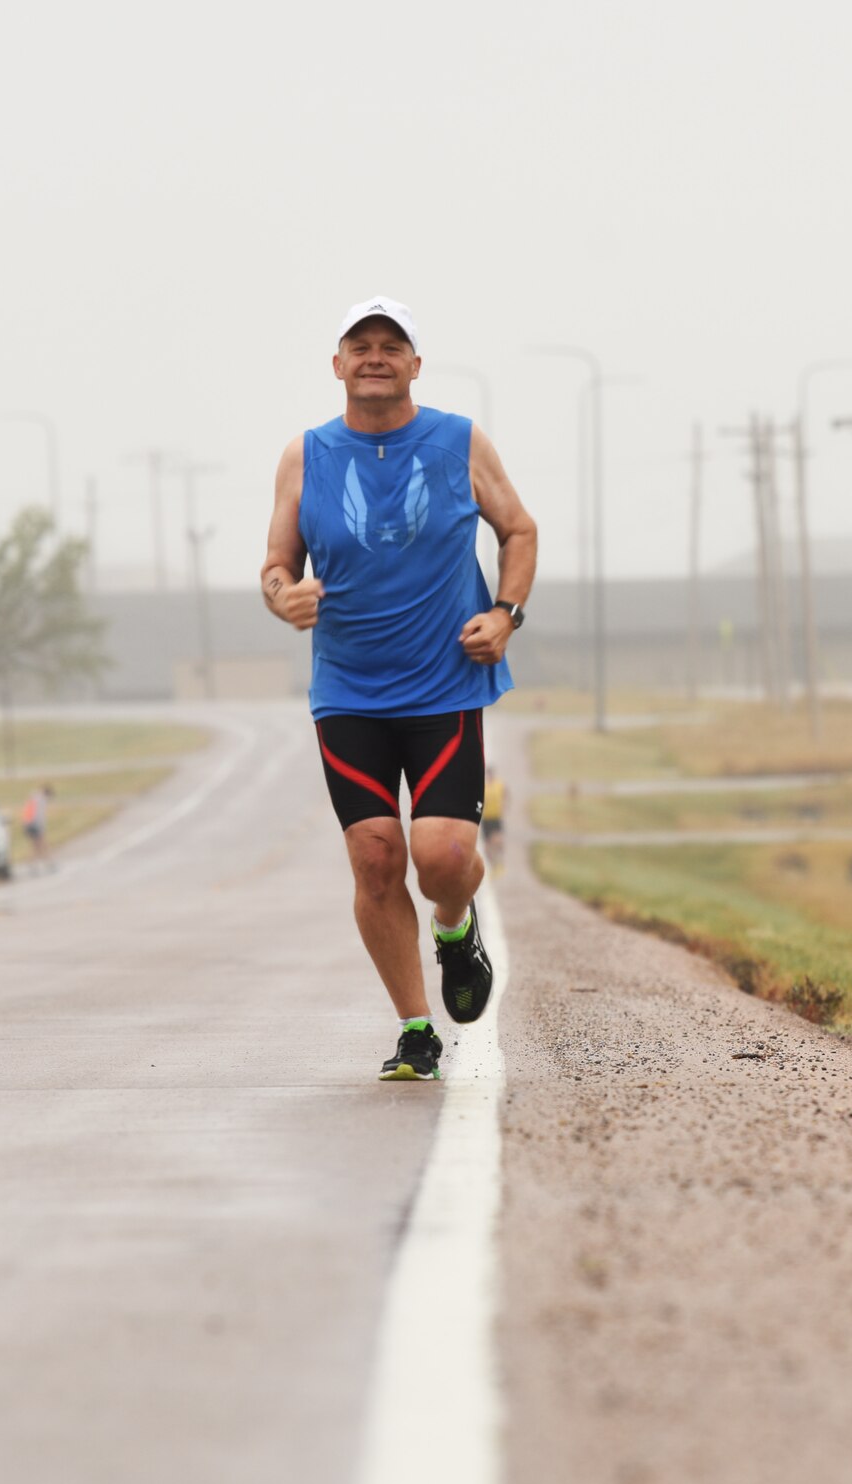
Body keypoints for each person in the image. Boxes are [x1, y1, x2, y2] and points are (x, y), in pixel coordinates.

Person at [260, 296, 538, 1082]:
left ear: (415, 364)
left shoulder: (457, 441)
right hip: (348, 691)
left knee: (442, 855)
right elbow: (276, 565)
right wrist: (285, 596)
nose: (375, 356)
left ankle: (454, 926)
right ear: (338, 364)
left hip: (444, 680)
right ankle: (417, 1029)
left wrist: (506, 613)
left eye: (392, 345)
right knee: (376, 858)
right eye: (361, 345)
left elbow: (519, 527)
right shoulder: (305, 455)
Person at [20, 782, 54, 868]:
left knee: (36, 846)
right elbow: (39, 816)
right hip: (34, 824)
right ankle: (48, 864)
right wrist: (42, 829)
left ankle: (33, 864)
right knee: (42, 845)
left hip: (28, 824)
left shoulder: (34, 797)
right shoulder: (41, 800)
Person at [481, 765, 508, 870]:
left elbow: (506, 794)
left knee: (497, 840)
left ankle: (500, 860)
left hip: (496, 817)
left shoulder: (499, 785)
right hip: (486, 818)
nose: (489, 777)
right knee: (487, 844)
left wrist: (505, 804)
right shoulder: (484, 787)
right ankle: (492, 864)